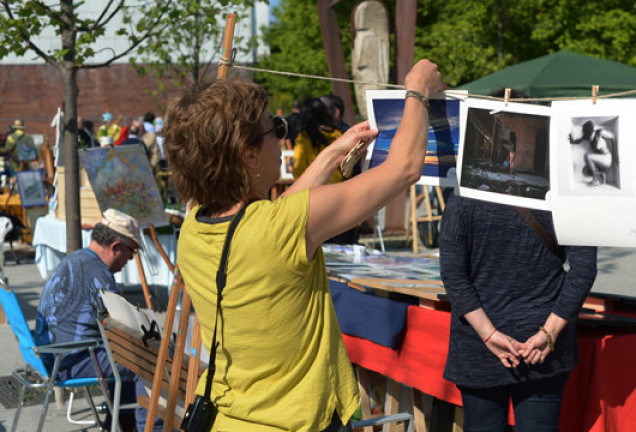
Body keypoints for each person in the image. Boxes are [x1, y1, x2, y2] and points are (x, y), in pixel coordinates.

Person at [164, 60, 444, 431]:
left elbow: (273, 220)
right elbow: (404, 169)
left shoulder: (194, 228)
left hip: (229, 419)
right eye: (275, 128)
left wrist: (331, 154)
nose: (283, 135)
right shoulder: (283, 226)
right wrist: (417, 88)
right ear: (248, 156)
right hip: (298, 422)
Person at [439, 194, 597, 432]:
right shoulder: (567, 194)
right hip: (542, 343)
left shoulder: (466, 195)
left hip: (482, 344)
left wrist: (489, 334)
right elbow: (583, 270)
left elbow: (454, 275)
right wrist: (550, 331)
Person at [35, 209, 162, 431]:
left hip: (54, 356)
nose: (131, 260)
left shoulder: (75, 259)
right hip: (71, 360)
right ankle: (150, 428)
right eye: (131, 252)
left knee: (126, 353)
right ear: (116, 247)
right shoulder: (99, 275)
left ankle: (123, 422)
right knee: (149, 362)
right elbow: (120, 331)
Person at [292, 97, 345, 183]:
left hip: (313, 188)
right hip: (337, 186)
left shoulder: (303, 138)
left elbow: (298, 168)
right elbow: (347, 169)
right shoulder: (338, 135)